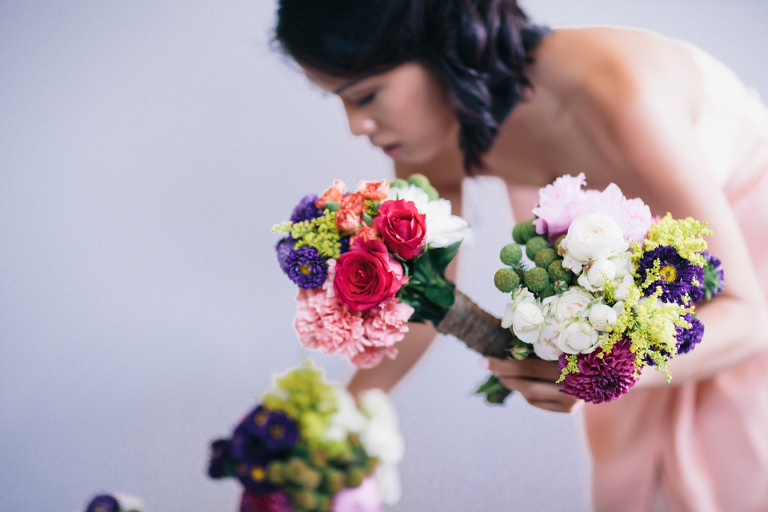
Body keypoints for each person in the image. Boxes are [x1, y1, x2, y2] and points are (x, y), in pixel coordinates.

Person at [273, 1, 768, 510]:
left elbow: (748, 315)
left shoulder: (614, 91)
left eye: (365, 95)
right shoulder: (428, 135)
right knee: (628, 481)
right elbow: (425, 301)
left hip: (747, 256)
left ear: (443, 47)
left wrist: (600, 373)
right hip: (628, 304)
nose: (357, 125)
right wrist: (338, 420)